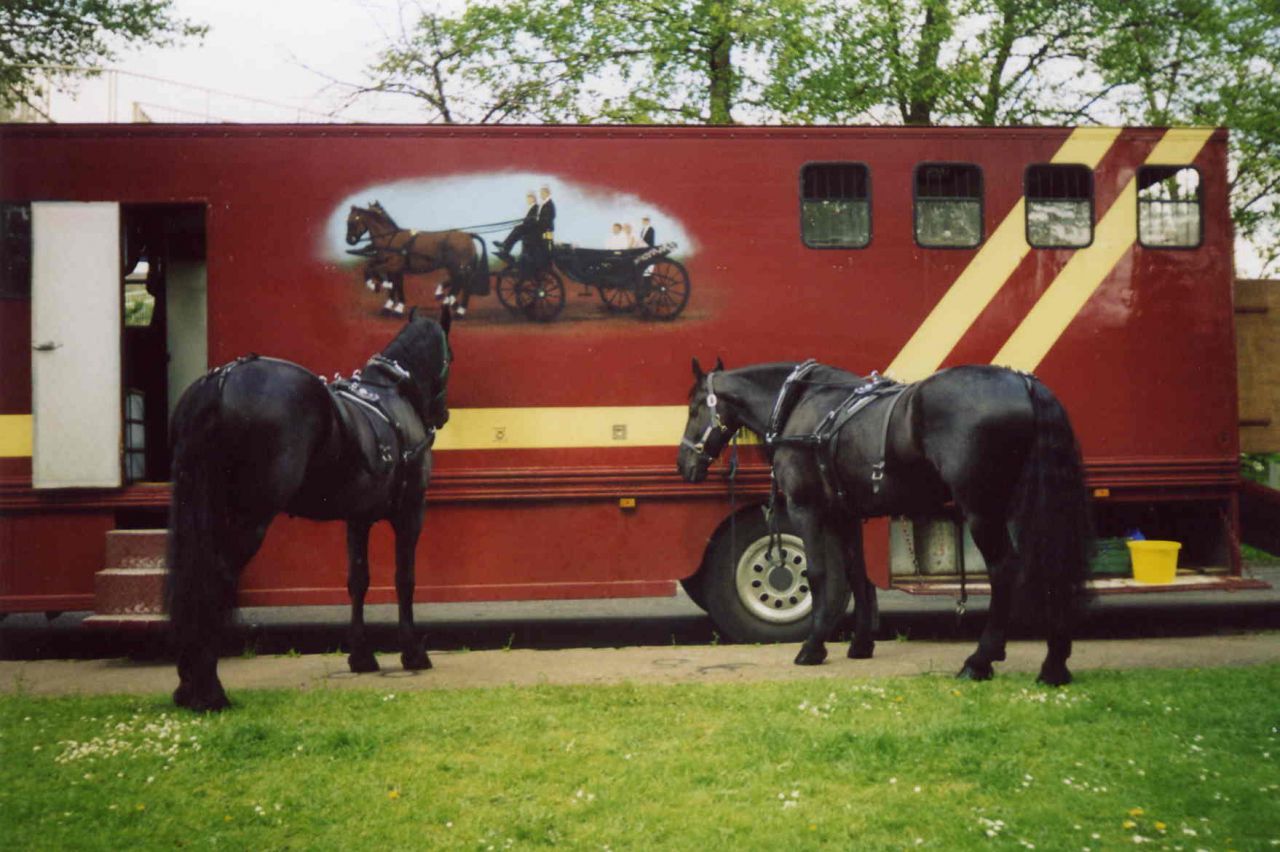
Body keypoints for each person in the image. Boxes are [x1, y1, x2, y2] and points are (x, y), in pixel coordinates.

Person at [496, 191, 539, 262]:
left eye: (529, 198)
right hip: (527, 226)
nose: (528, 200)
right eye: (527, 198)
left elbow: (533, 220)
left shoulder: (536, 207)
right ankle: (506, 248)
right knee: (517, 229)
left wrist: (524, 222)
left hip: (530, 228)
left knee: (517, 228)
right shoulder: (532, 207)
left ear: (533, 199)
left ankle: (505, 246)